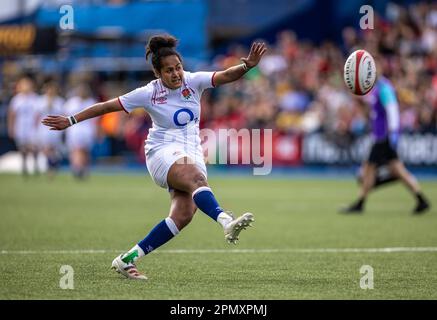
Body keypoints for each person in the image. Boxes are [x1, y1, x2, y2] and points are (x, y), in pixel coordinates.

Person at [42, 34, 267, 280]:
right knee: (196, 180)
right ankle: (225, 221)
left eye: (178, 67)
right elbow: (107, 106)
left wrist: (246, 66)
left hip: (191, 151)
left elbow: (225, 75)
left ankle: (127, 259)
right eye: (169, 70)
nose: (176, 73)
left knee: (183, 215)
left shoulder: (192, 81)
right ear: (158, 74)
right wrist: (71, 120)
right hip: (161, 151)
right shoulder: (149, 92)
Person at [341, 74, 430, 214]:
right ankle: (421, 199)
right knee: (397, 169)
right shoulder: (377, 89)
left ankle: (360, 203)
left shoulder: (384, 88)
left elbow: (392, 109)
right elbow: (376, 112)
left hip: (384, 137)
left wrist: (393, 132)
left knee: (368, 169)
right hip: (382, 135)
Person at [7, 77, 40, 177]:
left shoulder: (35, 98)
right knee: (23, 148)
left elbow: (38, 114)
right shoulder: (17, 99)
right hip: (20, 127)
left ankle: (35, 165)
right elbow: (12, 115)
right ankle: (24, 167)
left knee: (34, 147)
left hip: (32, 127)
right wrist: (11, 128)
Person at [64, 84, 97, 180]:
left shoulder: (91, 102)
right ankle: (77, 169)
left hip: (87, 130)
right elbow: (65, 117)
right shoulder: (71, 103)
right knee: (76, 150)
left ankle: (84, 170)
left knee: (85, 151)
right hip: (75, 130)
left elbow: (95, 120)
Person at [35, 81, 65, 179]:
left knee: (53, 149)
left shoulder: (60, 101)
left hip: (55, 128)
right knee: (46, 149)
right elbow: (36, 116)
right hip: (43, 128)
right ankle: (51, 165)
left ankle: (52, 167)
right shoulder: (39, 101)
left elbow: (63, 115)